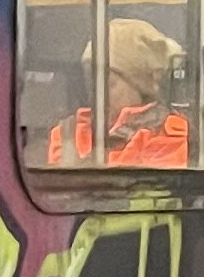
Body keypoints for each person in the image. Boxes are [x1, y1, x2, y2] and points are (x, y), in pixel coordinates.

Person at [46, 17, 191, 167]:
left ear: (140, 86)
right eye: (92, 85)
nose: (98, 95)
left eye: (109, 84)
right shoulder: (70, 131)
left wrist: (78, 169)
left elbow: (152, 180)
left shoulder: (166, 133)